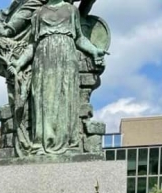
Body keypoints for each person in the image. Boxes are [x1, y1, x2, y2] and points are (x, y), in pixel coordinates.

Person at [9, 0, 107, 155]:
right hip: (43, 59)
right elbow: (32, 45)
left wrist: (94, 51)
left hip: (67, 57)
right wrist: (19, 62)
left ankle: (68, 143)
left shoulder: (71, 10)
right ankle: (41, 143)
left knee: (66, 98)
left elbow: (79, 38)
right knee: (43, 100)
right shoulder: (38, 13)